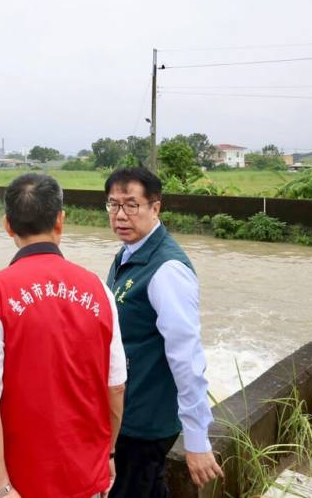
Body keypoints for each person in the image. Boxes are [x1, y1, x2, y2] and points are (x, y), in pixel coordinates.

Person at [0, 173, 126, 498]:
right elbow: (115, 387)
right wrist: (109, 455)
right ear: (61, 220)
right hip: (84, 480)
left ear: (7, 225)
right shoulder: (100, 291)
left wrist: (1, 487)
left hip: (18, 486)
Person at [103, 167, 224, 497]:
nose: (120, 215)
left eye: (132, 205)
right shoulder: (129, 254)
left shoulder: (167, 270)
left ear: (155, 207)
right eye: (113, 205)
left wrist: (197, 440)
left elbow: (187, 356)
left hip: (146, 420)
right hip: (127, 409)